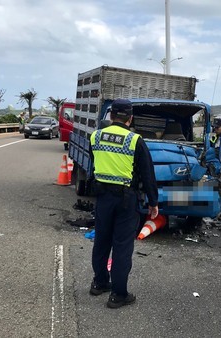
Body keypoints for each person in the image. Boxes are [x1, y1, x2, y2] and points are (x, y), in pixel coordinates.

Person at [89, 98, 159, 309]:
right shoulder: (135, 140)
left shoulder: (96, 136)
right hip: (126, 200)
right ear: (130, 118)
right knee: (122, 246)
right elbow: (147, 174)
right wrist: (153, 202)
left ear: (110, 116)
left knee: (102, 241)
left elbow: (95, 162)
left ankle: (99, 283)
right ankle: (119, 294)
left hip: (102, 198)